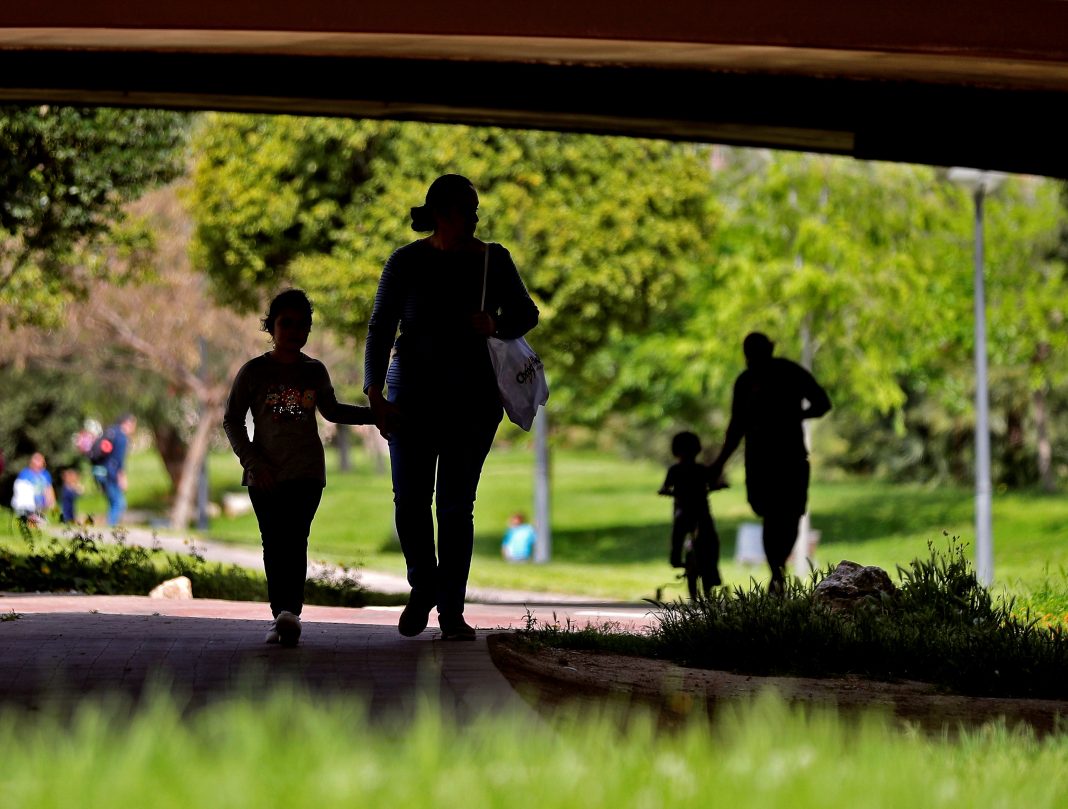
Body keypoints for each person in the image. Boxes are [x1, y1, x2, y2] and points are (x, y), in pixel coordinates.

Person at [364, 173, 540, 641]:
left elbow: (527, 314)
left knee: (457, 506)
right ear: (442, 213)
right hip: (412, 399)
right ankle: (424, 587)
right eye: (469, 208)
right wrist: (374, 393)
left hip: (473, 401)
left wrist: (495, 322)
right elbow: (381, 327)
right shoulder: (405, 261)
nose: (477, 216)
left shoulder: (492, 259)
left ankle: (452, 613)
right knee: (411, 501)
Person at [223, 288, 373, 647]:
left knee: (296, 540)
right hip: (265, 476)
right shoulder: (254, 371)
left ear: (308, 330)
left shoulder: (314, 371)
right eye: (285, 323)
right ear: (271, 327)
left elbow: (333, 411)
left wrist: (375, 416)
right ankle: (282, 613)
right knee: (274, 542)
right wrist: (254, 463)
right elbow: (232, 420)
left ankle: (290, 613)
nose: (293, 330)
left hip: (306, 473)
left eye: (301, 324)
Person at [708, 332, 832, 594]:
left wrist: (794, 415)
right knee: (776, 513)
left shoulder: (781, 374)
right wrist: (719, 463)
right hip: (769, 459)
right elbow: (737, 426)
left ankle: (777, 572)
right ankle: (777, 571)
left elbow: (822, 403)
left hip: (782, 458)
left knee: (783, 515)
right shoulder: (756, 379)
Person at [658, 431, 722, 597]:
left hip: (684, 511)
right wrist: (718, 486)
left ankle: (676, 558)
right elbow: (714, 483)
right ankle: (712, 570)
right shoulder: (701, 469)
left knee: (679, 534)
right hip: (700, 512)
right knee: (711, 541)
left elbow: (665, 487)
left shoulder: (675, 470)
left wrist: (665, 491)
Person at [91, 413, 137, 526]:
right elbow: (118, 460)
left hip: (98, 471)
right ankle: (110, 527)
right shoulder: (122, 437)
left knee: (113, 501)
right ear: (128, 423)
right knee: (119, 503)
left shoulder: (110, 431)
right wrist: (122, 477)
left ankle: (109, 525)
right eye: (134, 424)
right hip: (110, 473)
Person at [10, 452, 56, 523]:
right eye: (36, 460)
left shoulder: (45, 474)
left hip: (41, 505)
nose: (38, 463)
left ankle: (37, 518)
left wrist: (52, 502)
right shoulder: (24, 474)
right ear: (31, 462)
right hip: (28, 505)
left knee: (42, 520)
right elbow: (20, 492)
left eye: (40, 461)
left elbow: (49, 488)